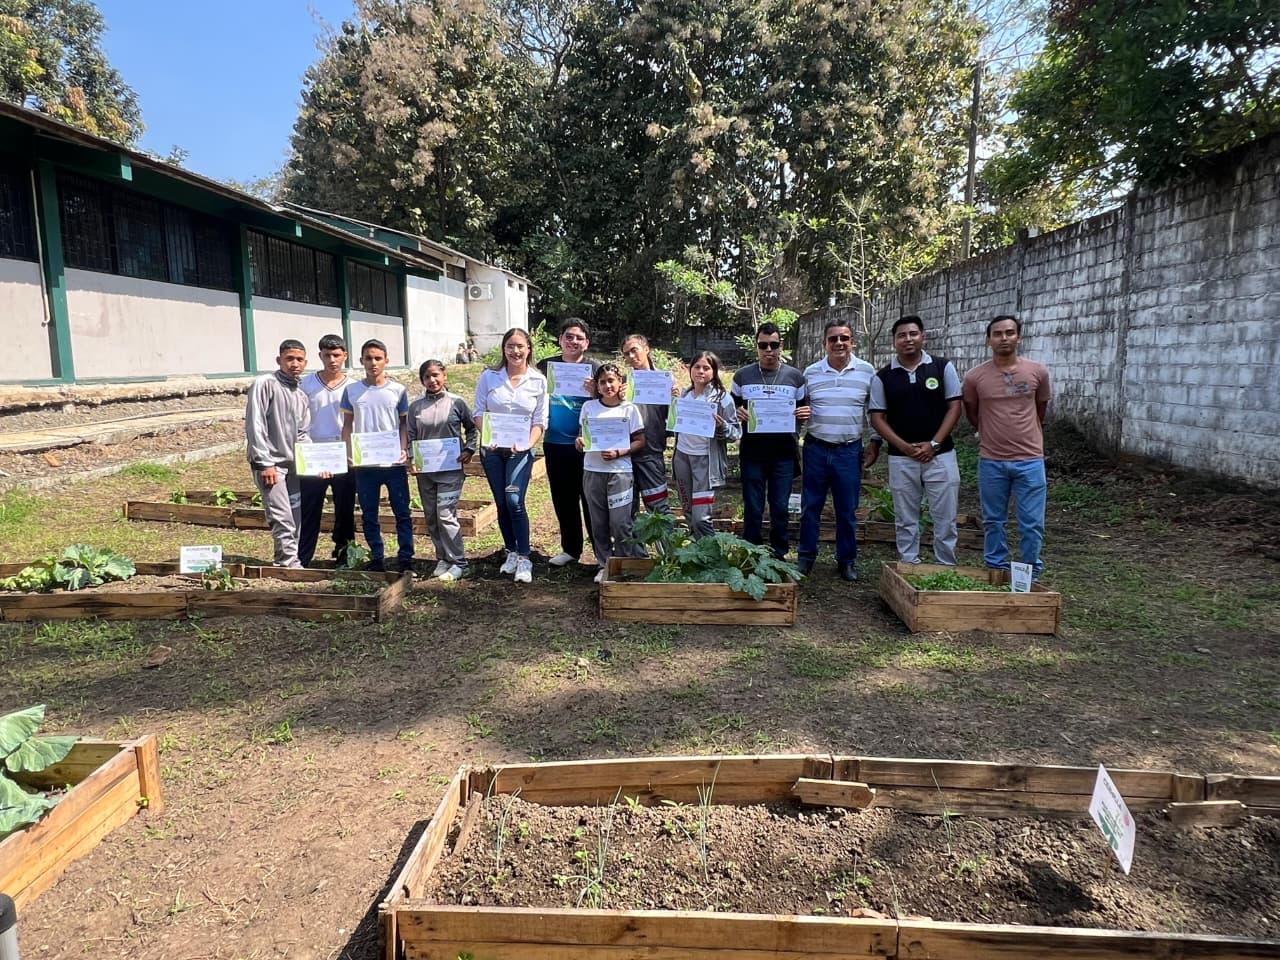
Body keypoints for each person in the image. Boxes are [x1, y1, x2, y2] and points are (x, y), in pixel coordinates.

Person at [868, 316, 963, 566]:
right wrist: (904, 447)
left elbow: (954, 407)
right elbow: (877, 418)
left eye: (913, 334)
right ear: (894, 341)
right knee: (905, 518)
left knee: (945, 517)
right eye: (901, 335)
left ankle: (946, 566)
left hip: (941, 455)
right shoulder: (883, 377)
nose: (908, 339)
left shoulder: (942, 367)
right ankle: (909, 566)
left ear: (923, 336)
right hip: (901, 459)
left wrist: (934, 444)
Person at [963, 314, 1051, 578]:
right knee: (993, 521)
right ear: (988, 340)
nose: (1004, 338)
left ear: (1019, 337)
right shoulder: (974, 377)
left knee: (1032, 524)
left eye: (1010, 333)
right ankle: (996, 568)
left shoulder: (1037, 372)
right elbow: (973, 413)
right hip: (992, 460)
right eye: (998, 334)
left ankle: (1029, 573)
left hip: (1030, 460)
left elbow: (1041, 408)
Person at [798, 320, 877, 581]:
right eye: (833, 339)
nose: (839, 343)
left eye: (844, 338)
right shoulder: (810, 373)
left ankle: (846, 560)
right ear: (824, 343)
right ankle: (806, 557)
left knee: (847, 509)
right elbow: (801, 407)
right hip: (816, 448)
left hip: (848, 451)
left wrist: (875, 441)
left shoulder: (867, 372)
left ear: (852, 342)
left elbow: (873, 410)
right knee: (811, 507)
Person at [474, 327, 548, 583]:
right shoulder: (489, 377)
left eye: (520, 346)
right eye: (510, 346)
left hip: (521, 451)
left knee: (514, 500)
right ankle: (511, 551)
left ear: (529, 349)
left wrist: (527, 444)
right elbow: (478, 412)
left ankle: (525, 557)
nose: (515, 351)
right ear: (504, 349)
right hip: (493, 451)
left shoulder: (538, 380)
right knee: (501, 503)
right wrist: (489, 436)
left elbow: (540, 420)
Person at [731, 322, 810, 557]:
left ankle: (779, 554)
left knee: (780, 507)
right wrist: (737, 413)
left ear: (781, 346)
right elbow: (731, 408)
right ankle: (752, 554)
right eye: (763, 345)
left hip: (784, 454)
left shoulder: (795, 377)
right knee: (753, 507)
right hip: (752, 452)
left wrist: (803, 414)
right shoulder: (742, 376)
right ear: (756, 346)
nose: (768, 350)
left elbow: (803, 410)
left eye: (773, 345)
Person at [340, 339, 413, 573]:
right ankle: (377, 557)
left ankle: (405, 557)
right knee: (369, 514)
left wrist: (403, 449)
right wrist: (348, 452)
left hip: (393, 464)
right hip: (365, 465)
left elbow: (404, 424)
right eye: (368, 358)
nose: (373, 363)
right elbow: (347, 425)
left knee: (402, 512)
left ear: (386, 361)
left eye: (378, 358)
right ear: (361, 360)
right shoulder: (351, 391)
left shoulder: (398, 391)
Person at [407, 359, 478, 581]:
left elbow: (472, 428)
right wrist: (411, 458)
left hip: (451, 470)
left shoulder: (457, 402)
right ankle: (443, 558)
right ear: (422, 380)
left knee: (446, 514)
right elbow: (410, 436)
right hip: (425, 472)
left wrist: (469, 449)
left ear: (444, 375)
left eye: (436, 375)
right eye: (427, 377)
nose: (432, 380)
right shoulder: (415, 407)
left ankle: (459, 562)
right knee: (431, 516)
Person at [537, 318, 600, 568]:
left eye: (579, 338)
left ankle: (600, 552)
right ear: (560, 339)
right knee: (563, 498)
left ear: (587, 343)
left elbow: (613, 398)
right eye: (569, 337)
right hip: (555, 443)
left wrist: (595, 392)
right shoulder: (545, 367)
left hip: (588, 444)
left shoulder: (595, 368)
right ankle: (570, 549)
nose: (574, 341)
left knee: (591, 499)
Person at [245, 339, 311, 568]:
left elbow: (303, 433)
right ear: (279, 360)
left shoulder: (300, 394)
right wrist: (265, 463)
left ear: (305, 363)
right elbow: (256, 425)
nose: (295, 364)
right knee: (281, 516)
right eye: (289, 359)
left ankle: (290, 559)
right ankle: (287, 564)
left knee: (295, 514)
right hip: (272, 466)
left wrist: (314, 461)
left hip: (293, 468)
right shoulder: (265, 384)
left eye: (299, 360)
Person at [577, 363, 646, 582]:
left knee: (620, 522)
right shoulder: (589, 407)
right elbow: (582, 437)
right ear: (596, 386)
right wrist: (579, 442)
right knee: (598, 522)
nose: (607, 386)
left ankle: (622, 563)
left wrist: (619, 452)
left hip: (620, 472)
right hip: (593, 470)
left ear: (620, 383)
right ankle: (604, 564)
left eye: (611, 381)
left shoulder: (629, 409)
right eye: (602, 382)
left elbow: (640, 440)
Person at [298, 334, 357, 568]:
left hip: (343, 455)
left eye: (336, 355)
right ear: (320, 356)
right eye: (327, 355)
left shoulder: (354, 387)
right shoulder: (306, 385)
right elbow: (299, 421)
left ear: (345, 356)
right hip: (313, 454)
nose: (332, 360)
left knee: (345, 509)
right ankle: (302, 557)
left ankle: (344, 555)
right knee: (309, 508)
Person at [672, 351, 741, 538]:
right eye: (697, 367)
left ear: (714, 372)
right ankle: (696, 551)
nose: (701, 371)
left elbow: (736, 433)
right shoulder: (684, 395)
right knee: (688, 512)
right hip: (682, 458)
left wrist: (721, 426)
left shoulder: (722, 399)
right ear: (690, 369)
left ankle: (712, 553)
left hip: (705, 461)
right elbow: (673, 424)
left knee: (701, 518)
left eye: (706, 368)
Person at [621, 334, 676, 515]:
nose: (631, 356)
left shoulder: (665, 380)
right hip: (624, 455)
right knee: (628, 512)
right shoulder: (621, 383)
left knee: (659, 511)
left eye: (634, 350)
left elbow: (673, 419)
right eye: (626, 354)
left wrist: (675, 400)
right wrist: (618, 398)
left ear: (646, 349)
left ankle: (666, 536)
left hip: (651, 453)